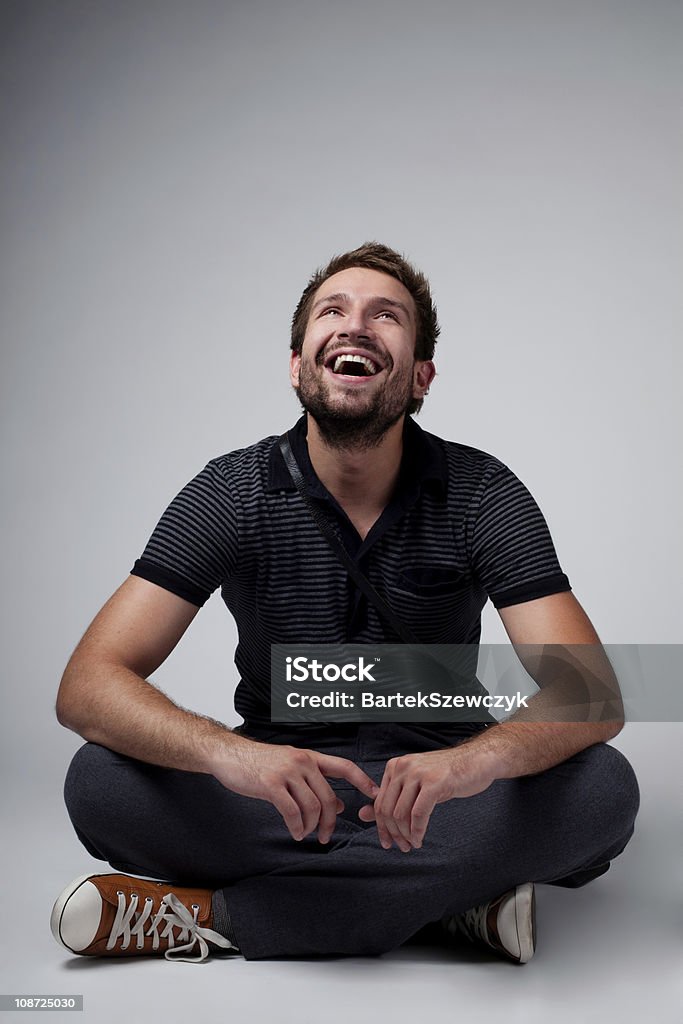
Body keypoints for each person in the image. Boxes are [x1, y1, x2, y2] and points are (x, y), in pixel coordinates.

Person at [51, 242, 639, 966]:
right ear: (297, 365)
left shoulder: (482, 492)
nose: (355, 326)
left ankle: (210, 917)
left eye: (385, 316)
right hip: (282, 796)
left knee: (603, 790)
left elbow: (592, 693)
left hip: (441, 798)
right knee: (98, 781)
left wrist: (471, 765)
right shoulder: (230, 492)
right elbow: (88, 685)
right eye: (333, 311)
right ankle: (448, 906)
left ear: (419, 376)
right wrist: (228, 754)